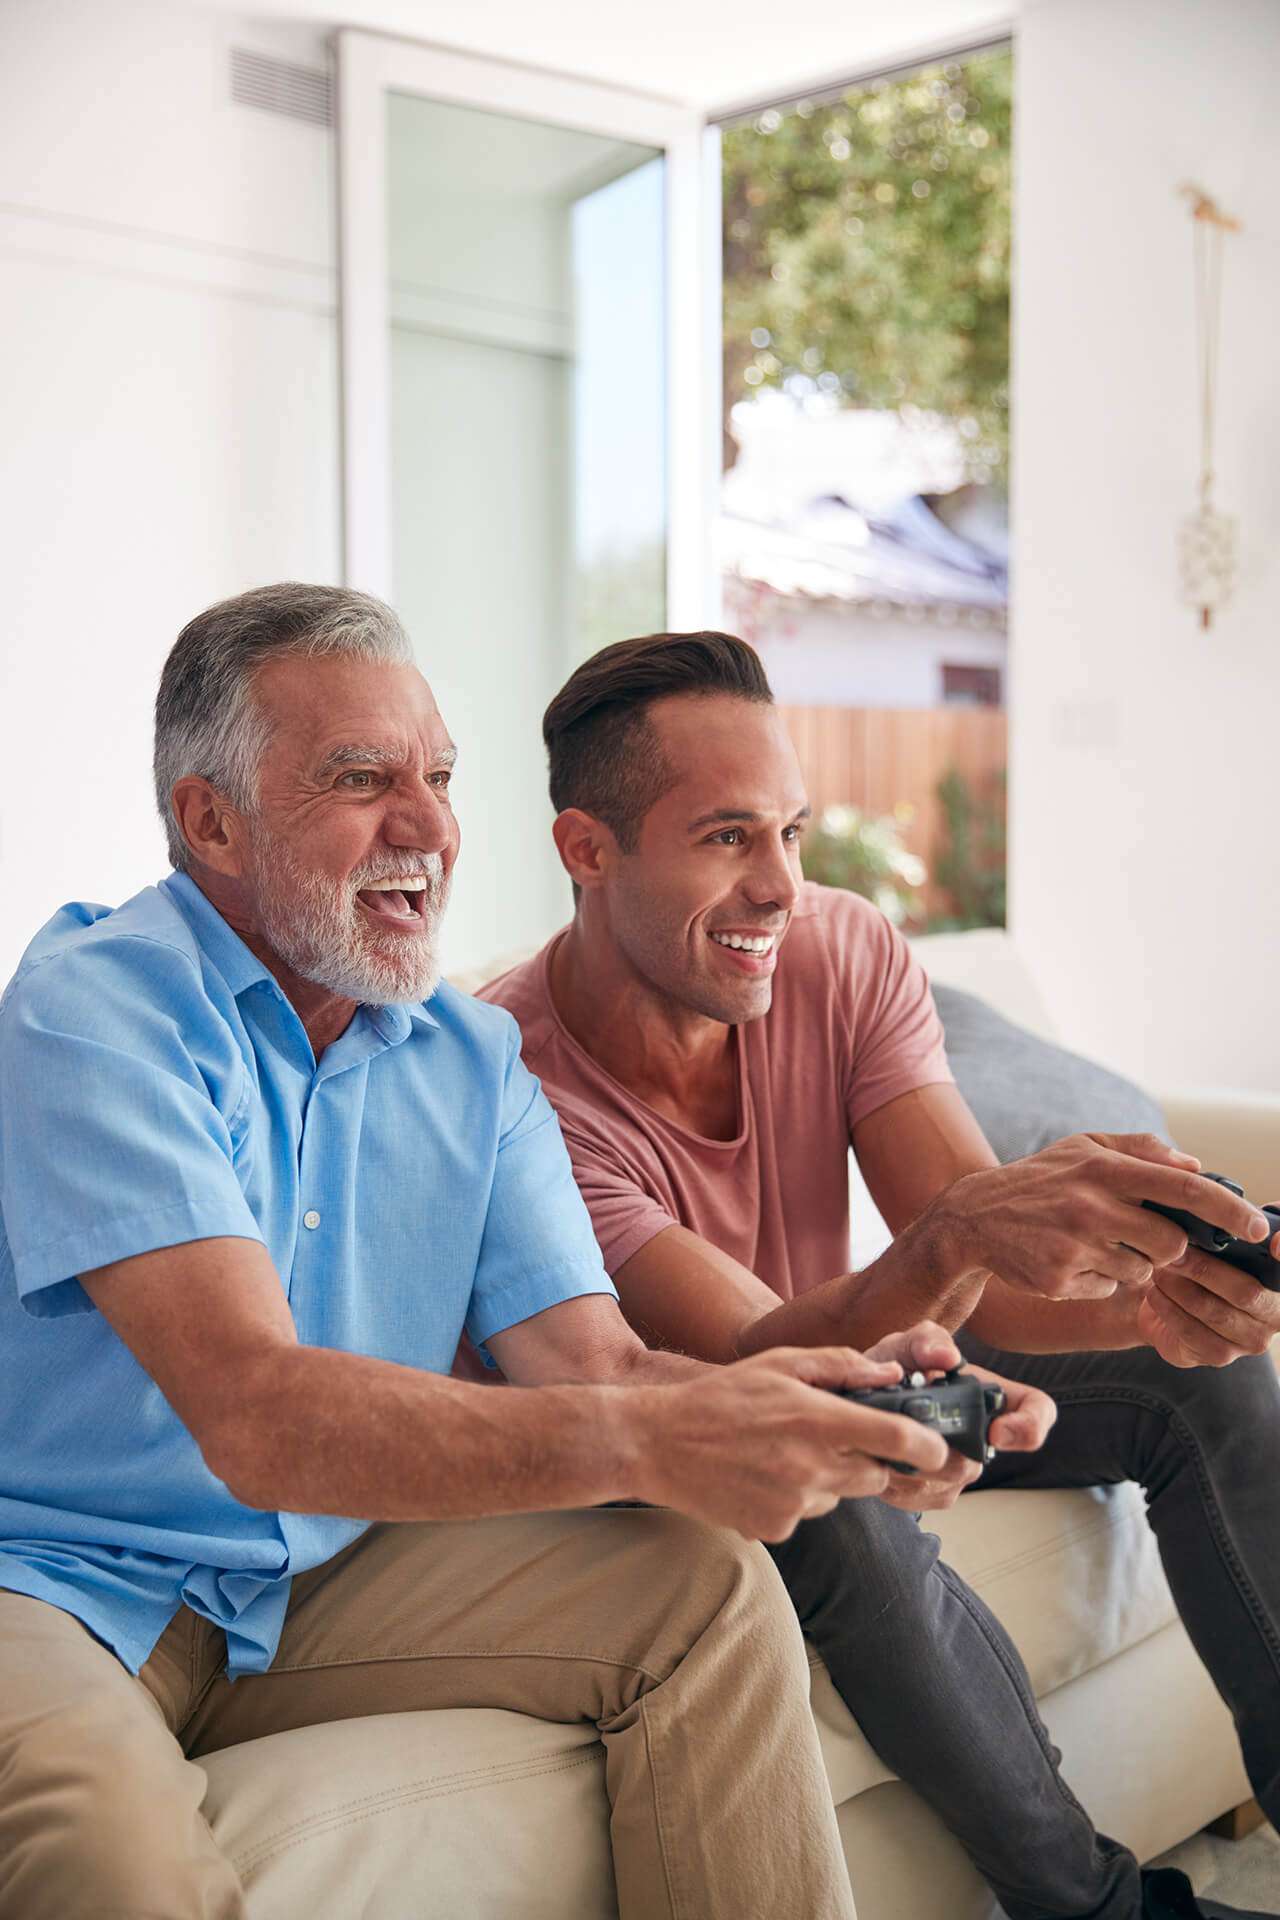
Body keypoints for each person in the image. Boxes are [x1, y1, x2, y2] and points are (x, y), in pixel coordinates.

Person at [0, 584, 1010, 1920]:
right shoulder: (99, 1011)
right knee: (109, 1871)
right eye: (361, 780)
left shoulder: (472, 1060)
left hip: (320, 1573)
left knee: (699, 1590)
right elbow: (255, 1410)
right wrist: (647, 1443)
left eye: (440, 779)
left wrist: (830, 1406)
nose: (427, 829)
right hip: (58, 1574)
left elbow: (593, 1361)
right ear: (212, 821)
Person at [480, 628, 1280, 1920]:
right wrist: (958, 1245)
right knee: (829, 1484)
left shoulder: (839, 954)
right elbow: (759, 1363)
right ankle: (1104, 1909)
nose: (781, 886)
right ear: (588, 850)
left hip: (857, 1363)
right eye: (728, 838)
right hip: (688, 1437)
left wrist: (1148, 1292)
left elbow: (982, 1273)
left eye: (792, 833)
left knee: (1207, 1386)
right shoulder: (512, 1089)